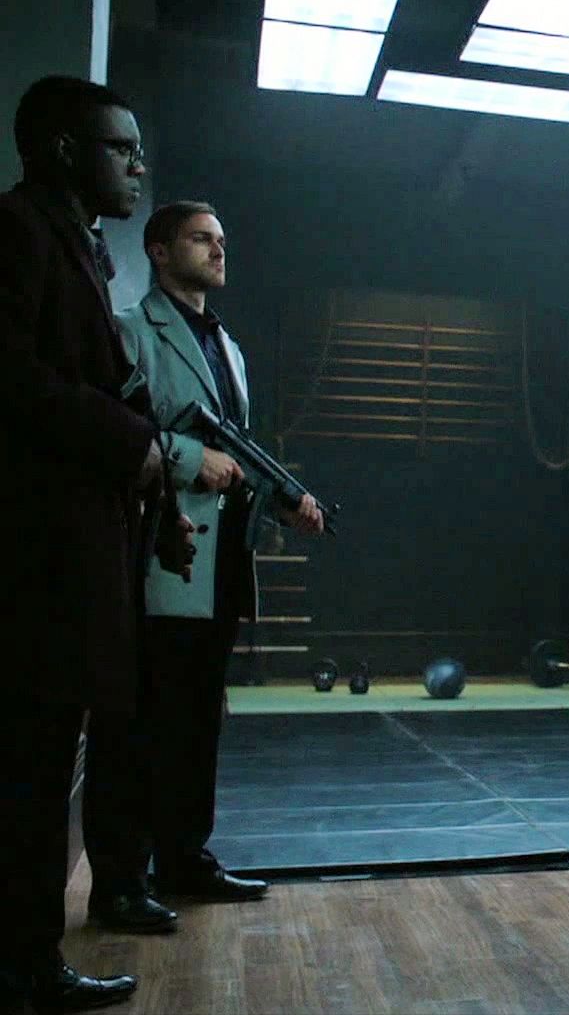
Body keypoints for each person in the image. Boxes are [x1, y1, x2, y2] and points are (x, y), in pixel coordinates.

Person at [0, 75, 194, 1013]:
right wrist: (133, 445)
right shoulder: (18, 232)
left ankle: (26, 958)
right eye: (122, 149)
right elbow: (12, 379)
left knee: (42, 770)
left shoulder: (77, 246)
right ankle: (22, 967)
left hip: (73, 553)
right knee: (29, 773)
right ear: (66, 151)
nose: (138, 166)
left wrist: (153, 478)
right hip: (34, 561)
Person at [83, 201, 324, 936]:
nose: (218, 250)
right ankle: (120, 883)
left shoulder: (230, 346)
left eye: (221, 240)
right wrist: (190, 458)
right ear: (159, 251)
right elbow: (112, 431)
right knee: (136, 726)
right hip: (158, 550)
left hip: (219, 560)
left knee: (195, 723)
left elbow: (237, 449)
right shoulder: (131, 330)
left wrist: (284, 498)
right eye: (200, 239)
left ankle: (184, 859)